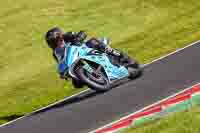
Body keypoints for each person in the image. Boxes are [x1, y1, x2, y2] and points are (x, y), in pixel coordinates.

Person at [45, 27, 126, 79]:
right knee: (76, 84)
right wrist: (63, 74)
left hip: (85, 49)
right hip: (77, 61)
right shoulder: (56, 54)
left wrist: (78, 38)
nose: (56, 43)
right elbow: (61, 63)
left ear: (61, 36)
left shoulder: (68, 36)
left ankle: (115, 53)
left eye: (57, 39)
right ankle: (95, 76)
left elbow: (83, 33)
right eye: (53, 42)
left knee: (93, 41)